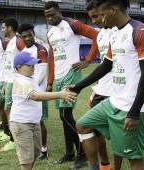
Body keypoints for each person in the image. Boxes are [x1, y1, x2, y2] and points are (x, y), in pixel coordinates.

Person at [71, 1, 144, 170]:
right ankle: (95, 168)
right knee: (82, 125)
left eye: (102, 14)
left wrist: (134, 112)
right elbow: (106, 66)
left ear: (113, 10)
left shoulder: (141, 31)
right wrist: (79, 86)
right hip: (114, 102)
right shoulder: (115, 34)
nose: (100, 19)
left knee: (134, 158)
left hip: (132, 106)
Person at [44, 1, 98, 168]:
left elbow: (96, 36)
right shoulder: (50, 33)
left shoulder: (72, 24)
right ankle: (69, 153)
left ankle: (82, 154)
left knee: (65, 115)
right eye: (47, 16)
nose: (50, 18)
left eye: (53, 14)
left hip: (71, 74)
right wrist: (50, 81)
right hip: (59, 77)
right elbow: (52, 57)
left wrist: (88, 60)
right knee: (63, 117)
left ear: (59, 11)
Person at [10, 51, 77, 170]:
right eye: (30, 65)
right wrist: (60, 95)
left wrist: (61, 91)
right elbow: (35, 96)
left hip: (34, 122)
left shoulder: (30, 79)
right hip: (21, 124)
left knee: (35, 153)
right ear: (19, 67)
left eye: (33, 65)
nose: (33, 67)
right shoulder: (20, 80)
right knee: (26, 159)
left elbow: (41, 93)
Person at [85, 1, 114, 169]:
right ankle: (104, 164)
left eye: (96, 16)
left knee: (118, 135)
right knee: (95, 131)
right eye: (91, 18)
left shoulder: (119, 30)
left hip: (118, 91)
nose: (95, 20)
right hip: (101, 89)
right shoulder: (100, 34)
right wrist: (95, 89)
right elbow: (104, 64)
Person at [17, 23, 50, 160]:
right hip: (27, 92)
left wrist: (30, 87)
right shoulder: (23, 51)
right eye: (24, 36)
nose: (27, 38)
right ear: (21, 37)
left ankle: (43, 149)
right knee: (30, 120)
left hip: (38, 92)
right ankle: (34, 147)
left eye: (29, 35)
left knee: (39, 122)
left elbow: (41, 72)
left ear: (34, 34)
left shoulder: (41, 50)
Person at [0, 17, 25, 152]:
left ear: (9, 28)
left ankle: (14, 140)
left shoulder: (18, 41)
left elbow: (27, 55)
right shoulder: (9, 42)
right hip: (8, 81)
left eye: (4, 27)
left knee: (10, 111)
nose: (2, 30)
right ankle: (11, 135)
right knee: (8, 110)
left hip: (15, 81)